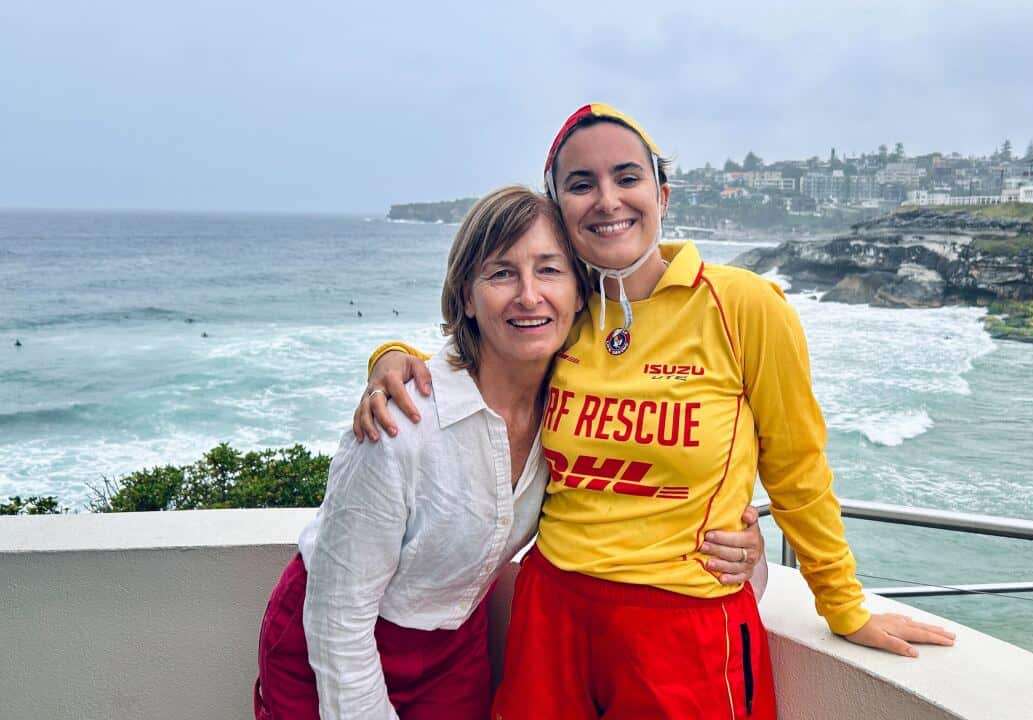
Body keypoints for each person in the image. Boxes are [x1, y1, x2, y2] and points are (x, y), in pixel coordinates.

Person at [357, 104, 954, 719]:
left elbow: (797, 465)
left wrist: (844, 607)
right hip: (550, 614)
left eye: (627, 177)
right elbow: (474, 365)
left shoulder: (741, 304)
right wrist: (392, 356)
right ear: (559, 209)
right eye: (581, 184)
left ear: (661, 194)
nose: (608, 199)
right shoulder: (562, 312)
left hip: (685, 627)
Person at [253, 185, 769, 720]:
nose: (528, 295)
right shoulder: (403, 421)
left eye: (549, 270)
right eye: (501, 273)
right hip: (329, 643)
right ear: (467, 298)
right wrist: (388, 358)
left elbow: (628, 499)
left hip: (453, 645)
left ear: (579, 294)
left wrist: (739, 536)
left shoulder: (573, 418)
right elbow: (339, 613)